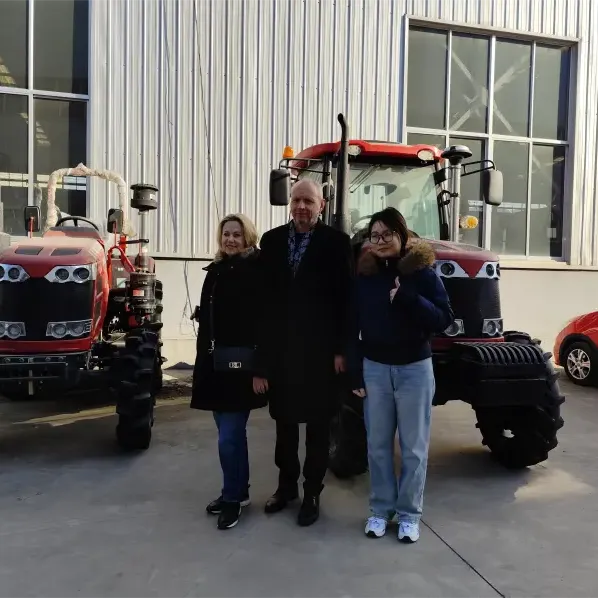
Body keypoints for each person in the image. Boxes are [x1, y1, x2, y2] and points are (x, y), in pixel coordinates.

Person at [349, 207, 453, 543]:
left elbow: (444, 319)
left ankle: (409, 515)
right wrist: (355, 373)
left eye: (387, 234)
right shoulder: (364, 275)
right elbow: (351, 326)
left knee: (413, 449)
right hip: (375, 369)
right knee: (378, 447)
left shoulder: (421, 273)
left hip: (414, 371)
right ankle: (381, 510)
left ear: (402, 235)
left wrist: (409, 298)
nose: (380, 241)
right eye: (374, 235)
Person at [254, 178, 353, 526]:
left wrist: (341, 350)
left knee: (318, 429)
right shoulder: (271, 242)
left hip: (321, 356)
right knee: (284, 428)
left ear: (321, 205)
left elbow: (345, 301)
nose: (301, 207)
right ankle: (286, 488)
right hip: (281, 355)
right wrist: (261, 362)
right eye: (296, 200)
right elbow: (263, 306)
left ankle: (312, 492)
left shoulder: (337, 244)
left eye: (308, 201)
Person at [191, 213, 267, 531]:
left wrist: (261, 369)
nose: (231, 240)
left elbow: (265, 324)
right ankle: (238, 491)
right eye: (226, 234)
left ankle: (232, 498)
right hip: (215, 366)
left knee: (229, 438)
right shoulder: (216, 270)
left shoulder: (257, 271)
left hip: (241, 367)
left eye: (237, 234)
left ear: (248, 237)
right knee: (230, 435)